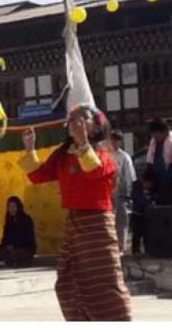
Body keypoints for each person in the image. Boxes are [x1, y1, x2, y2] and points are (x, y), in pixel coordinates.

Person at [20, 105, 132, 321]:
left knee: (105, 281)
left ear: (96, 126)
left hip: (97, 224)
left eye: (81, 119)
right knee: (67, 281)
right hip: (74, 223)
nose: (75, 122)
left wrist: (82, 142)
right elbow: (38, 176)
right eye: (71, 119)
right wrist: (29, 149)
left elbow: (94, 170)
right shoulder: (63, 153)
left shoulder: (103, 153)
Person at [0, 196, 36, 268]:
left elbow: (29, 239)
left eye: (13, 207)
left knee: (12, 253)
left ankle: (15, 261)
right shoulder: (9, 220)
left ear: (18, 207)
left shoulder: (26, 219)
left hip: (24, 248)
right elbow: (5, 238)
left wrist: (14, 246)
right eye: (9, 207)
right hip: (10, 248)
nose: (11, 209)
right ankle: (7, 261)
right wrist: (6, 245)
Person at [108, 131, 135, 253]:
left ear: (120, 142)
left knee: (121, 220)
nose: (114, 143)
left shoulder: (124, 156)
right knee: (109, 220)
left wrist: (128, 194)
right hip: (107, 192)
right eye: (112, 140)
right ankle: (110, 245)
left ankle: (121, 246)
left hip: (121, 192)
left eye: (116, 140)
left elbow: (130, 177)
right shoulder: (104, 154)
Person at [130, 171, 157, 255]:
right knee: (136, 234)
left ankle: (147, 250)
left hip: (147, 215)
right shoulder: (136, 187)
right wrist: (146, 200)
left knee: (147, 234)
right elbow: (138, 199)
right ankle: (135, 250)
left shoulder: (153, 190)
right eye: (148, 183)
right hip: (137, 214)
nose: (149, 185)